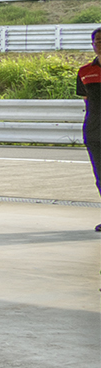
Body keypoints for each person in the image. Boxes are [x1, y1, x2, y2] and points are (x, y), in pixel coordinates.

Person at [82, 28, 101, 233]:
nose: (100, 43)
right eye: (97, 41)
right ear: (93, 45)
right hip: (95, 130)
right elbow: (87, 100)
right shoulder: (84, 71)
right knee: (100, 177)